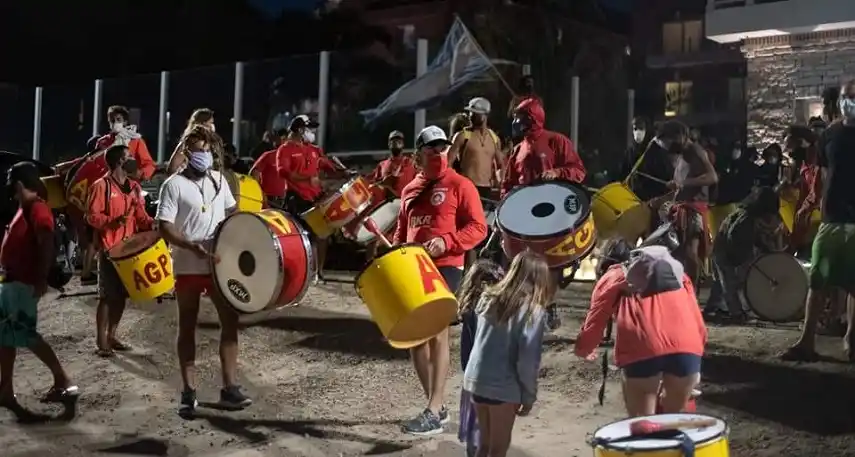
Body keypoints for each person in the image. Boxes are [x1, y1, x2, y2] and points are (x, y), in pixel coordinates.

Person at [392, 125, 487, 435]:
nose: (437, 151)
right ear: (418, 153)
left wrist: (447, 242)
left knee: (437, 334)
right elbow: (402, 229)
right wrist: (394, 251)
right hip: (412, 266)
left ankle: (434, 409)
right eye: (431, 147)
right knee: (414, 340)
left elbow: (478, 228)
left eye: (442, 146)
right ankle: (436, 405)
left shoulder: (461, 185)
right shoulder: (409, 189)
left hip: (446, 267)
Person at [156, 126, 251, 415]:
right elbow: (165, 227)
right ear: (187, 153)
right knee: (187, 326)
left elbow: (231, 212)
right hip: (187, 267)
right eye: (198, 150)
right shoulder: (172, 185)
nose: (204, 155)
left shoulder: (220, 181)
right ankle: (188, 392)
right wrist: (190, 245)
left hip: (218, 266)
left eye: (207, 150)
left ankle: (230, 388)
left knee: (230, 322)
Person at [575, 243, 707, 417]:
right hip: (687, 346)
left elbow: (597, 316)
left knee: (643, 425)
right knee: (673, 422)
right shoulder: (678, 275)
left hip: (642, 348)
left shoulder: (614, 275)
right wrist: (695, 352)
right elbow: (697, 320)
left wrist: (584, 347)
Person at [783, 80, 855, 362]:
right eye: (849, 96)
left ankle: (851, 339)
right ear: (841, 101)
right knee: (818, 280)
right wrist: (821, 208)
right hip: (832, 218)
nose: (851, 101)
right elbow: (823, 179)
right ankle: (806, 341)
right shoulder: (830, 136)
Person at [0, 163, 79, 409]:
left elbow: (46, 240)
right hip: (14, 282)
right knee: (7, 337)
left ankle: (63, 380)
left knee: (26, 335)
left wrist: (41, 278)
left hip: (23, 283)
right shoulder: (27, 208)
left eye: (13, 187)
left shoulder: (37, 208)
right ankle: (6, 389)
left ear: (21, 185)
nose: (12, 193)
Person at [463, 251, 552, 457]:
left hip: (476, 380)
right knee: (498, 450)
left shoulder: (487, 298)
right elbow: (527, 361)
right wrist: (529, 396)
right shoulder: (532, 311)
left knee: (483, 446)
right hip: (503, 386)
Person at [86, 145, 154, 357]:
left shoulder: (134, 187)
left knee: (122, 296)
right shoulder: (101, 186)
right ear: (118, 162)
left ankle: (112, 335)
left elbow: (141, 217)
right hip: (109, 249)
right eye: (129, 157)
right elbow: (91, 216)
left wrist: (156, 224)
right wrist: (112, 222)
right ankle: (101, 340)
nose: (133, 160)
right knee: (107, 296)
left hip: (129, 250)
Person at [276, 114, 347, 280]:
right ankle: (302, 273)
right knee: (305, 236)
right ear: (300, 130)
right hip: (297, 198)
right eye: (309, 129)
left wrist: (342, 173)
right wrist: (307, 179)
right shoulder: (285, 150)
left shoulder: (313, 149)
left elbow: (326, 165)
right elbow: (284, 172)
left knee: (323, 234)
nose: (312, 133)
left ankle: (318, 272)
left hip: (316, 197)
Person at [704, 187, 785, 321]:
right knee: (728, 284)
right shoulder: (745, 221)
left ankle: (711, 308)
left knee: (720, 283)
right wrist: (740, 259)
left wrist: (767, 250)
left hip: (722, 249)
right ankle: (736, 313)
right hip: (725, 252)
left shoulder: (747, 215)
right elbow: (734, 237)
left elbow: (754, 238)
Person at [655, 120, 718, 288]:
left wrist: (685, 183)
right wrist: (675, 183)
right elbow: (682, 180)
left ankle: (692, 290)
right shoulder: (683, 154)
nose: (667, 147)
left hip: (694, 208)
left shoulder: (696, 151)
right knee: (680, 251)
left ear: (679, 137)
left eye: (668, 142)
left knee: (691, 252)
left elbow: (712, 177)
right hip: (682, 206)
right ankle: (684, 287)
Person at [456, 259, 505, 457]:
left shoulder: (469, 310)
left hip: (473, 380)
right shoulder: (496, 312)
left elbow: (465, 354)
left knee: (476, 436)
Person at [501, 98, 586, 198]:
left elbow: (578, 171)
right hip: (526, 208)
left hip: (553, 204)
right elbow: (507, 185)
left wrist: (557, 172)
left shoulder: (556, 141)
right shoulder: (518, 150)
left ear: (530, 118)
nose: (515, 122)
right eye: (514, 118)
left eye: (518, 117)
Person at [448, 97, 504, 199]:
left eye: (475, 113)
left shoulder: (494, 138)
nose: (471, 116)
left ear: (485, 114)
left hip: (486, 190)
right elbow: (448, 163)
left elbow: (500, 165)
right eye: (470, 112)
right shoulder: (463, 136)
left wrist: (500, 182)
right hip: (466, 188)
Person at [92, 105, 157, 181]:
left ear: (125, 122)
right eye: (112, 120)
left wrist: (141, 174)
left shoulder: (136, 140)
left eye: (118, 120)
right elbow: (96, 165)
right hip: (107, 183)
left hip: (129, 183)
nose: (115, 123)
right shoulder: (102, 142)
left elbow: (148, 164)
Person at [785, 125, 822, 255]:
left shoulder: (817, 160)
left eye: (791, 148)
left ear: (801, 142)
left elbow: (817, 192)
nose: (789, 154)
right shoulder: (805, 162)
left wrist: (803, 211)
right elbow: (804, 193)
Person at [167, 108, 222, 174]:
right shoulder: (188, 142)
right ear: (203, 123)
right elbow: (172, 168)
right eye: (211, 123)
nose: (212, 126)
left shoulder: (211, 145)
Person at [250, 128, 290, 209]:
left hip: (285, 202)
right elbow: (254, 173)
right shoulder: (268, 155)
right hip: (268, 200)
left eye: (285, 139)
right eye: (282, 139)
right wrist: (260, 193)